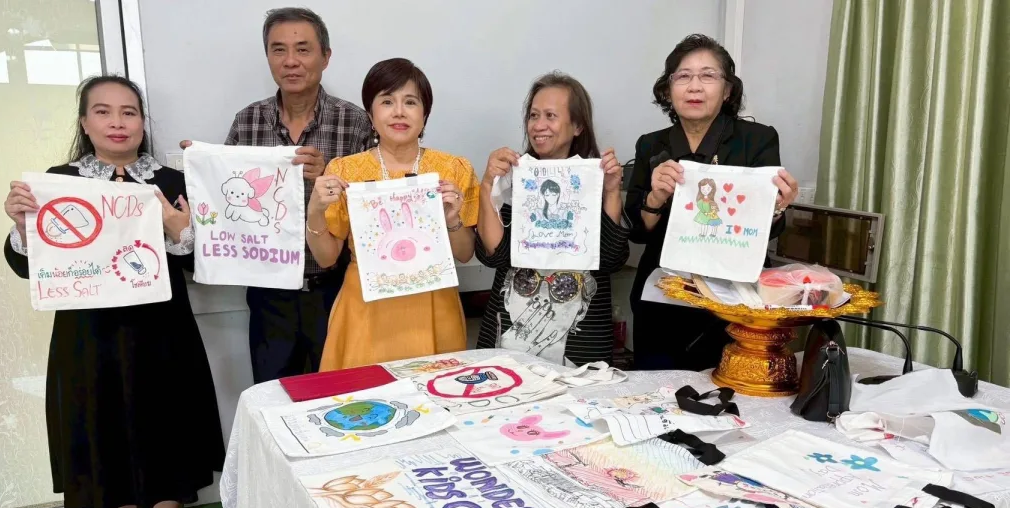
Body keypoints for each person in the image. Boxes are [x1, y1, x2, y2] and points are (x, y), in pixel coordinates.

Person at [2, 76, 223, 508]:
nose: (117, 122)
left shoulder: (174, 182)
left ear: (142, 122)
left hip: (164, 332)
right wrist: (21, 226)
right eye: (103, 112)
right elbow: (26, 265)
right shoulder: (56, 182)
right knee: (101, 434)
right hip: (89, 336)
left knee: (171, 433)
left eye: (129, 112)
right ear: (85, 122)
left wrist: (180, 231)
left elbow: (208, 264)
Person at [182, 8, 373, 382]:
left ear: (325, 57)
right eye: (278, 49)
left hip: (335, 289)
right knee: (273, 395)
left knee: (342, 395)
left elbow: (372, 207)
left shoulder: (355, 122)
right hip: (268, 294)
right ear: (268, 56)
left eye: (303, 49)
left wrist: (331, 175)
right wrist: (202, 164)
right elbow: (227, 196)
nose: (290, 61)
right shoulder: (247, 121)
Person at [625, 34, 800, 371]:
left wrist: (778, 206)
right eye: (683, 76)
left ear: (728, 90)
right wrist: (655, 197)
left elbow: (766, 230)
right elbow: (638, 232)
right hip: (664, 296)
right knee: (657, 390)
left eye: (708, 75)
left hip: (734, 300)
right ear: (667, 90)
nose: (695, 86)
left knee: (733, 388)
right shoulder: (650, 145)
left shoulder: (757, 140)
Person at [307, 58, 479, 370]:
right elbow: (327, 257)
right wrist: (315, 211)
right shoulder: (345, 171)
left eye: (410, 102)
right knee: (364, 396)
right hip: (365, 310)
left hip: (433, 307)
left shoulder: (453, 169)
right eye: (387, 101)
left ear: (425, 114)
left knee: (436, 393)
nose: (399, 112)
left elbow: (465, 254)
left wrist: (452, 220)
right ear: (370, 114)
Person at [475, 72, 630, 366]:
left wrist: (611, 192)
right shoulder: (516, 178)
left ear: (577, 126)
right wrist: (487, 185)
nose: (539, 125)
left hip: (581, 348)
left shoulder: (594, 181)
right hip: (509, 341)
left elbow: (610, 259)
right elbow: (495, 256)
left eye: (551, 116)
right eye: (534, 116)